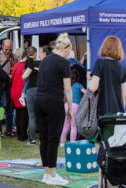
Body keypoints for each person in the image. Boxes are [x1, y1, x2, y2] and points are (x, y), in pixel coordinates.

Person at [88, 35, 126, 188]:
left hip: (102, 115)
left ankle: (101, 184)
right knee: (115, 153)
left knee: (101, 154)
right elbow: (124, 97)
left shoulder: (100, 63)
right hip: (117, 116)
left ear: (105, 47)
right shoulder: (121, 68)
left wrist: (89, 78)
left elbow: (93, 87)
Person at [35, 33, 73, 186]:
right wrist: (70, 108)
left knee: (44, 138)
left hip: (39, 100)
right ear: (67, 48)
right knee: (53, 138)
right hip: (53, 101)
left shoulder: (45, 60)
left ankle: (46, 173)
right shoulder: (63, 63)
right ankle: (52, 173)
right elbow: (68, 88)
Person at [60, 65, 86, 146]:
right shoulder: (78, 85)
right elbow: (86, 92)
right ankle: (72, 143)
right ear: (77, 77)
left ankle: (62, 142)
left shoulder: (66, 86)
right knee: (73, 125)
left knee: (65, 124)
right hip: (75, 106)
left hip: (66, 105)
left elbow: (64, 96)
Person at [21, 46, 40, 145]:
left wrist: (23, 77)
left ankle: (32, 139)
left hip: (31, 90)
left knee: (32, 115)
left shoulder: (28, 62)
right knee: (40, 114)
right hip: (39, 89)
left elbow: (24, 76)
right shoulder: (32, 62)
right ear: (35, 53)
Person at [0, 39, 18, 137]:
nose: (7, 51)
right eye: (6, 49)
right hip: (1, 85)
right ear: (2, 47)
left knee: (9, 108)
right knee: (1, 107)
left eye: (9, 49)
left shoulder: (14, 56)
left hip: (11, 84)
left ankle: (9, 130)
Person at [11, 52, 29, 142]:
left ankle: (19, 134)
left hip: (14, 91)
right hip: (22, 92)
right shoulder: (26, 66)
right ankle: (23, 136)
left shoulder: (16, 65)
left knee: (18, 114)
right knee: (24, 115)